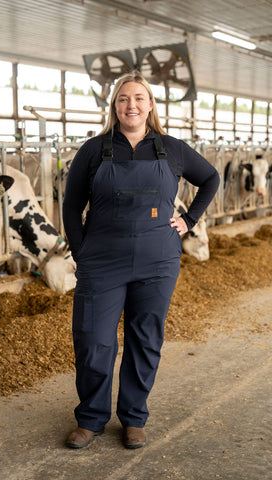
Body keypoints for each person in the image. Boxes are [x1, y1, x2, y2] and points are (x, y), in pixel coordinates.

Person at [63, 71, 220, 449]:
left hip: (157, 262)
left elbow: (211, 178)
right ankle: (91, 418)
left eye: (138, 98)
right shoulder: (93, 149)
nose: (130, 105)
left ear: (150, 105)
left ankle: (133, 418)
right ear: (114, 106)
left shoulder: (172, 148)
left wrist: (189, 219)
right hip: (101, 261)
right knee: (92, 340)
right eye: (122, 98)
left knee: (145, 339)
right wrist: (81, 252)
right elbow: (71, 207)